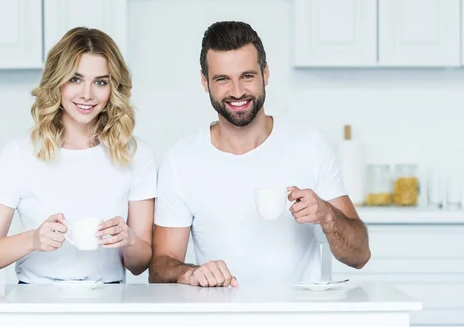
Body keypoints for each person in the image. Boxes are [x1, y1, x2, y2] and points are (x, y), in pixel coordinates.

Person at [149, 21, 371, 287]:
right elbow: (160, 267)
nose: (237, 91)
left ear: (265, 74)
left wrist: (326, 215)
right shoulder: (181, 161)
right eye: (222, 79)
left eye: (247, 76)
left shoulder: (309, 146)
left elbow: (360, 255)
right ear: (204, 82)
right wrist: (190, 273)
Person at [0, 27, 156, 284]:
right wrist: (33, 240)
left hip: (109, 302)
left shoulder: (136, 155)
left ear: (114, 89)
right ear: (57, 82)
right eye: (75, 79)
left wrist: (129, 239)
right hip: (36, 302)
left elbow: (140, 264)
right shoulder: (20, 154)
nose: (87, 94)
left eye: (101, 82)